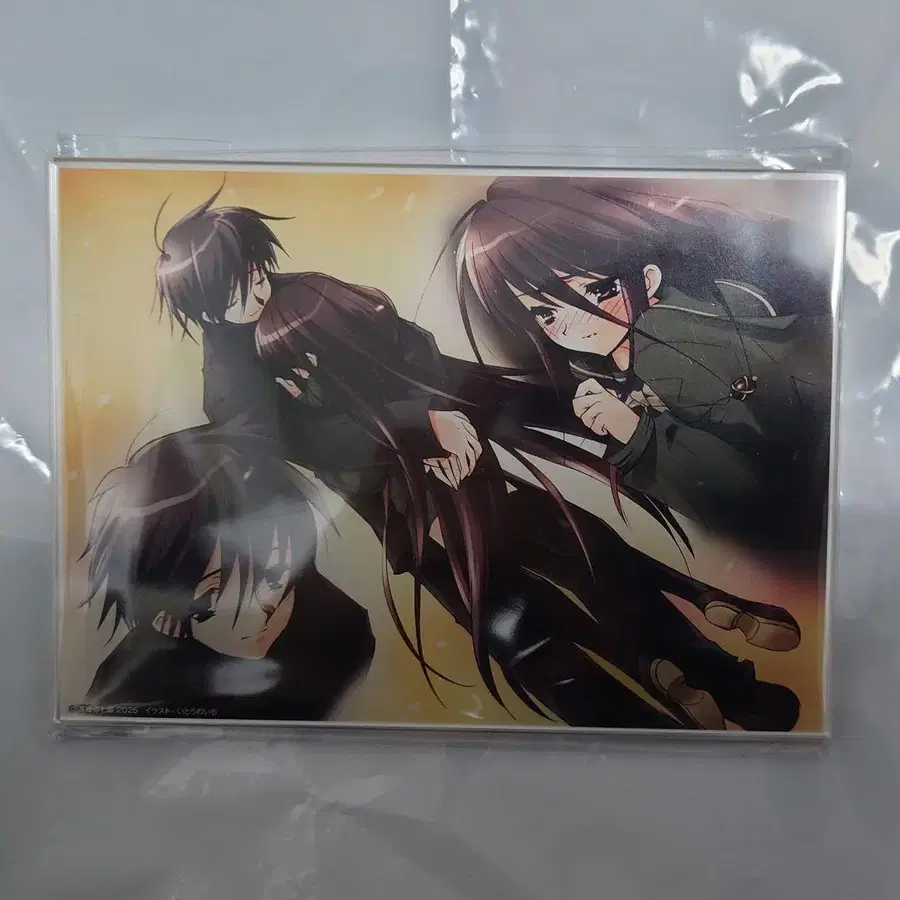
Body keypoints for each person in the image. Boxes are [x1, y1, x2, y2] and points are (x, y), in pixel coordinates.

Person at [152, 189, 801, 731]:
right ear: (204, 304)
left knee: (596, 563)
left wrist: (448, 410)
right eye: (236, 286)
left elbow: (408, 346)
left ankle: (728, 685)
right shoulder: (230, 384)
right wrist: (419, 428)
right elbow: (306, 444)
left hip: (475, 478)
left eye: (254, 268)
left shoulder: (302, 291)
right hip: (418, 519)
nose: (257, 285)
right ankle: (647, 724)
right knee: (528, 636)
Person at [451, 177, 833, 563]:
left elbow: (757, 494)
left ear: (649, 280)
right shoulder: (596, 370)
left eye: (597, 291)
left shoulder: (682, 337)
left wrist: (636, 433)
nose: (574, 323)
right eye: (545, 313)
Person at [79, 424, 375, 721]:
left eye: (274, 576)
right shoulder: (133, 681)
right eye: (213, 592)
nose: (258, 610)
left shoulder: (339, 632)